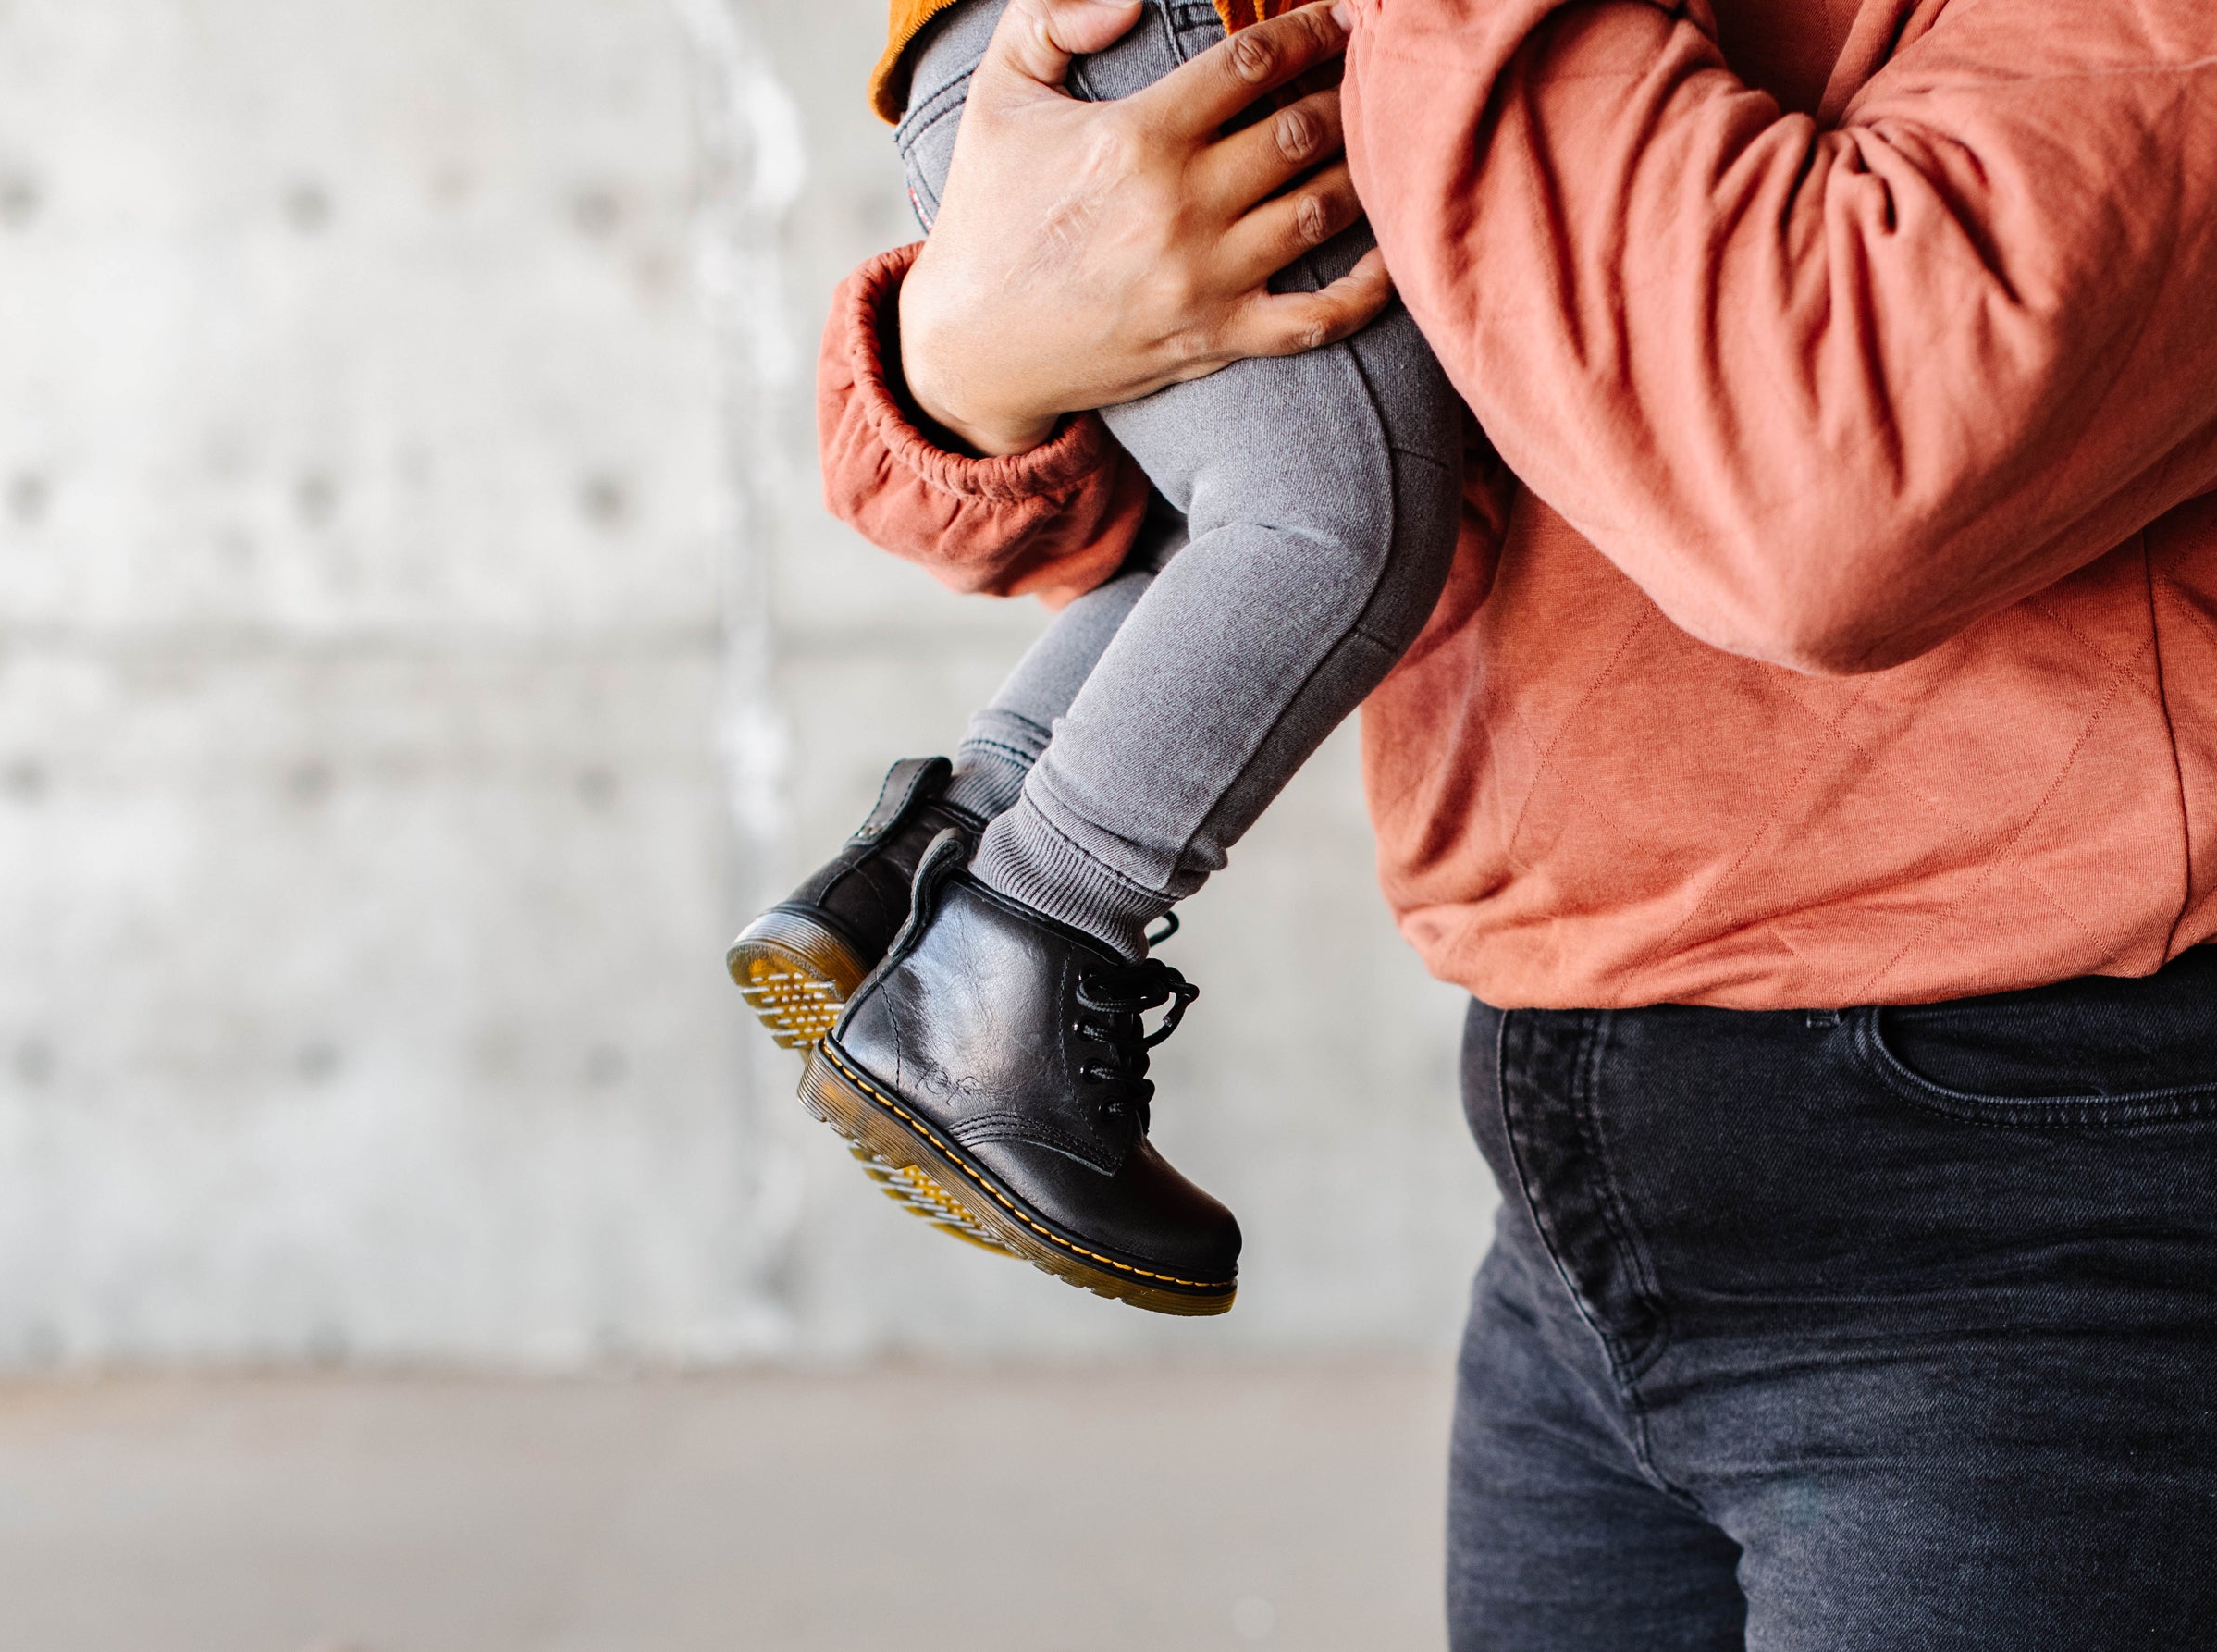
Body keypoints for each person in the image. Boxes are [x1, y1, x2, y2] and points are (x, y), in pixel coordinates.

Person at [808, 0, 2217, 1641]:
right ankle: (975, 908)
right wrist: (972, 357)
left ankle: (976, 892)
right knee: (1321, 514)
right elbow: (1172, 502)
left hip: (2027, 1199)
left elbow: (1833, 493)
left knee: (1332, 518)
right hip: (1568, 1158)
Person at [726, 0, 1461, 1314]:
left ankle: (919, 877)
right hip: (1162, 39)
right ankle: (1003, 979)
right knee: (1333, 519)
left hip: (1031, 62)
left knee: (1237, 517)